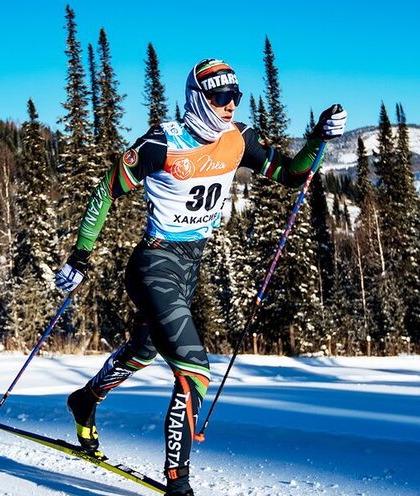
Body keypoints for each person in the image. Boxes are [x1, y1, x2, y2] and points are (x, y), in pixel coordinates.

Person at [54, 58, 346, 496]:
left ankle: (85, 399)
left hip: (191, 265)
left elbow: (292, 174)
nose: (229, 105)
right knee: (193, 370)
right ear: (198, 98)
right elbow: (105, 190)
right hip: (155, 263)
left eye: (235, 97)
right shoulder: (162, 142)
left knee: (144, 349)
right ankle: (179, 485)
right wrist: (80, 256)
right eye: (220, 97)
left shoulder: (239, 139)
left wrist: (318, 137)